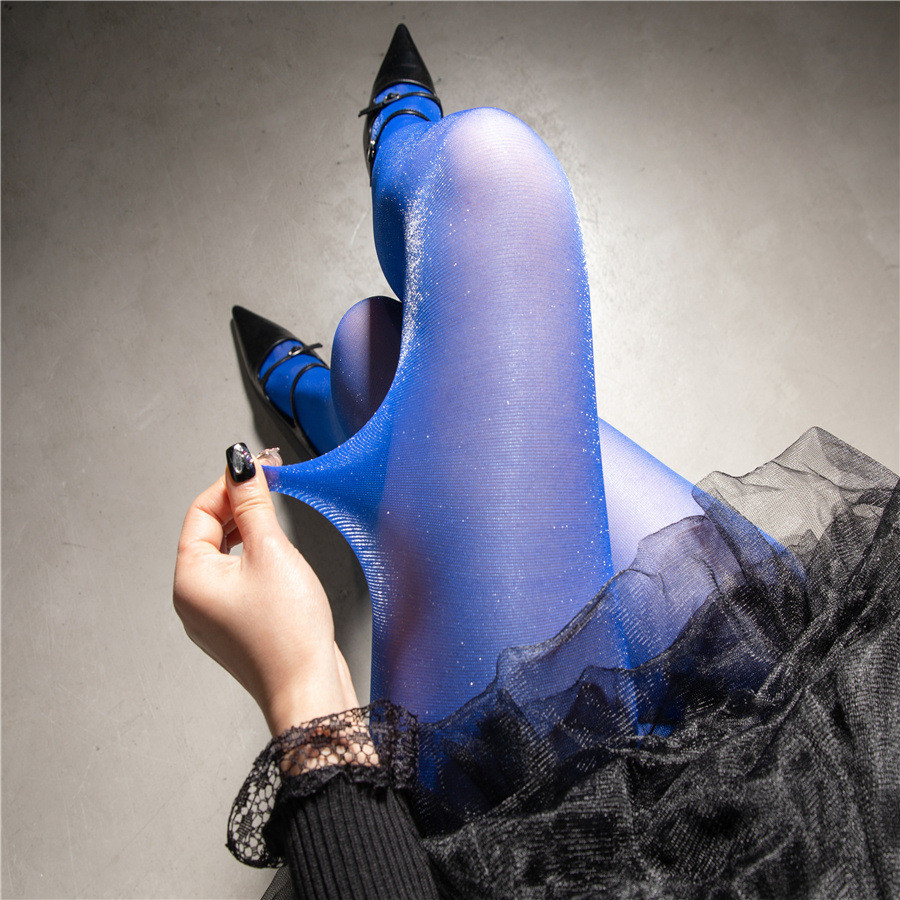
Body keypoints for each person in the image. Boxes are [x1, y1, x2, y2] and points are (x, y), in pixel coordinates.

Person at [175, 25, 900, 900]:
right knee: (378, 341)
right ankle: (333, 408)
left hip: (565, 869)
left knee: (474, 189)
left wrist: (305, 695)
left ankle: (390, 180)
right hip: (835, 758)